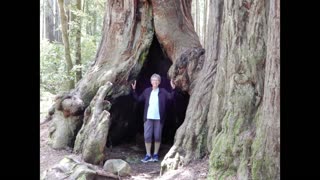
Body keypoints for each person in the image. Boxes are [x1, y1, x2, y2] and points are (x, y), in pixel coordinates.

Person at [131, 73, 176, 162]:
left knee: (157, 136)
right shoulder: (147, 91)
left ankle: (155, 155)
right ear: (151, 82)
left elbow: (170, 97)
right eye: (153, 80)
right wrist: (133, 90)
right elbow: (139, 99)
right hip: (148, 117)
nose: (155, 82)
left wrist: (173, 89)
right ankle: (148, 155)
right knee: (147, 136)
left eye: (156, 80)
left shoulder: (162, 91)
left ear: (159, 82)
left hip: (159, 118)